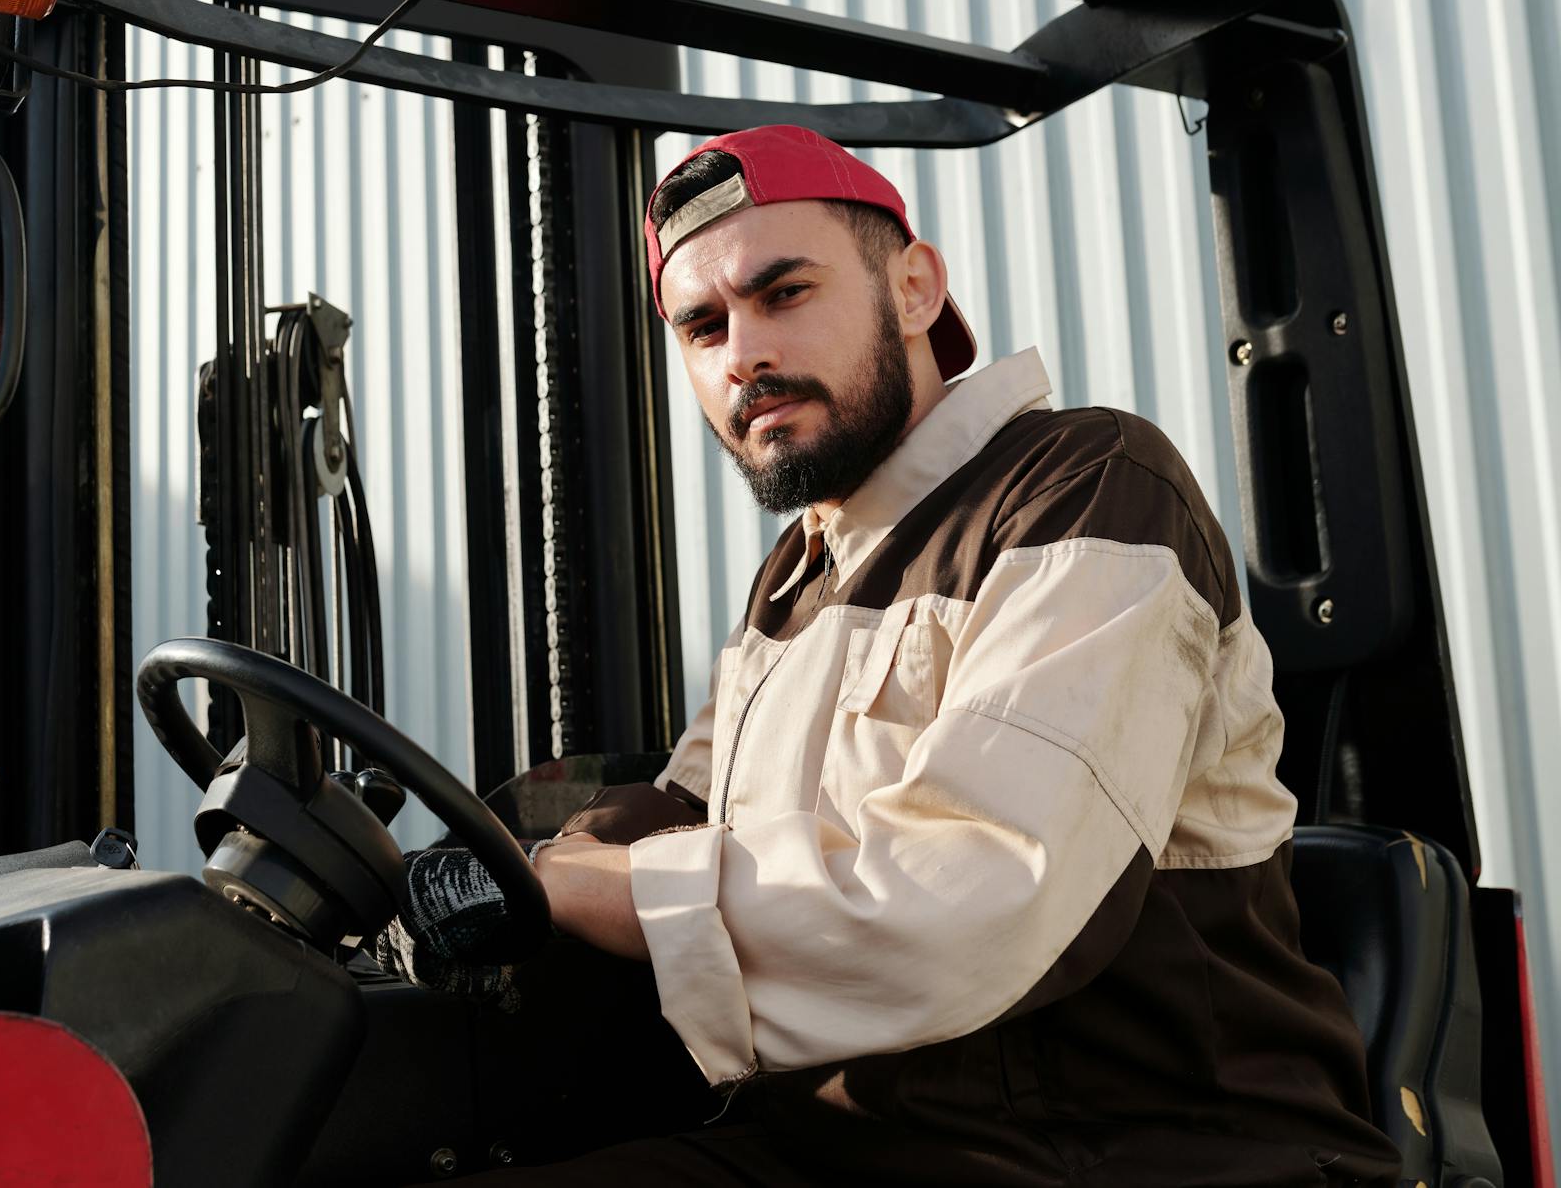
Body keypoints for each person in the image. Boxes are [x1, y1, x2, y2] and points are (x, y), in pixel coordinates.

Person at [377, 125, 1400, 1186]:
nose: (742, 355)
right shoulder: (803, 570)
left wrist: (575, 887)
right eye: (702, 326)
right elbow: (690, 805)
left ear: (913, 290)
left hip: (1137, 1152)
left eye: (784, 293)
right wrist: (514, 862)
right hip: (847, 1145)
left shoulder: (1086, 490)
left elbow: (971, 900)